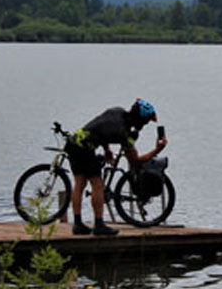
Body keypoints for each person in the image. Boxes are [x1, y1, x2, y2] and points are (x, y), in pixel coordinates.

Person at [64, 98, 168, 235]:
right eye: (146, 121)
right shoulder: (123, 134)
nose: (146, 124)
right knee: (97, 185)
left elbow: (99, 128)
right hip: (85, 149)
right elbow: (136, 161)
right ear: (140, 119)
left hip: (73, 143)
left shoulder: (116, 111)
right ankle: (99, 224)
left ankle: (77, 224)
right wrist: (157, 150)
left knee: (80, 183)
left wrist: (107, 150)